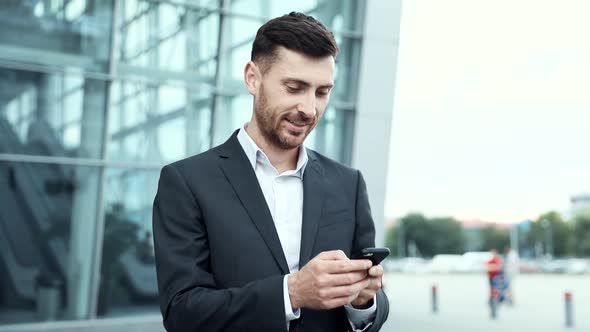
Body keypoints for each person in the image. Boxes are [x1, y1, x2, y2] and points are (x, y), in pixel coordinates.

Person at [152, 12, 389, 332]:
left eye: (322, 92)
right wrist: (291, 293)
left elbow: (371, 305)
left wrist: (362, 301)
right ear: (253, 77)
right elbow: (182, 313)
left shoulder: (348, 183)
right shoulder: (187, 182)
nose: (309, 108)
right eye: (294, 87)